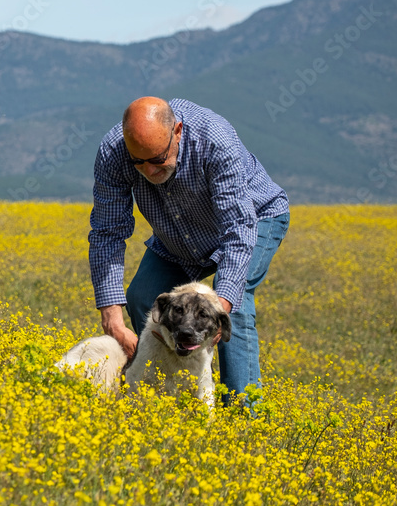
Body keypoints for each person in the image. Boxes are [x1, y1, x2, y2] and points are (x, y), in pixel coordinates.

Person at [88, 96, 290, 404]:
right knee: (143, 296)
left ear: (178, 131)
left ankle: (242, 413)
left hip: (254, 219)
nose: (148, 171)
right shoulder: (114, 153)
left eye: (157, 159)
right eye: (138, 162)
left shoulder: (214, 139)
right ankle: (166, 398)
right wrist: (111, 315)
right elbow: (107, 232)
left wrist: (220, 308)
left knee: (232, 306)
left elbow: (237, 228)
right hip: (178, 236)